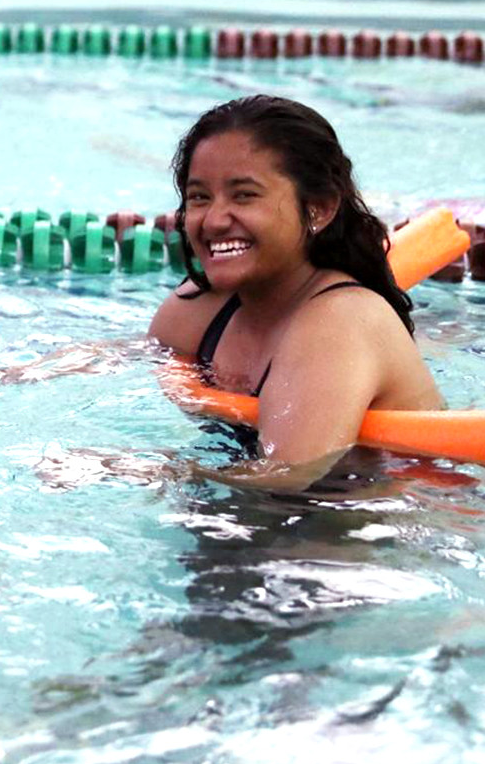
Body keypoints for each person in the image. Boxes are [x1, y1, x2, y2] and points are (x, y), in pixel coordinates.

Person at [148, 95, 443, 484]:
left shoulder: (343, 321)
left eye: (244, 195)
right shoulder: (203, 304)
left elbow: (285, 479)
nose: (215, 220)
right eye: (200, 197)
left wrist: (145, 469)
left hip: (358, 523)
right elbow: (133, 358)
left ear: (318, 208)